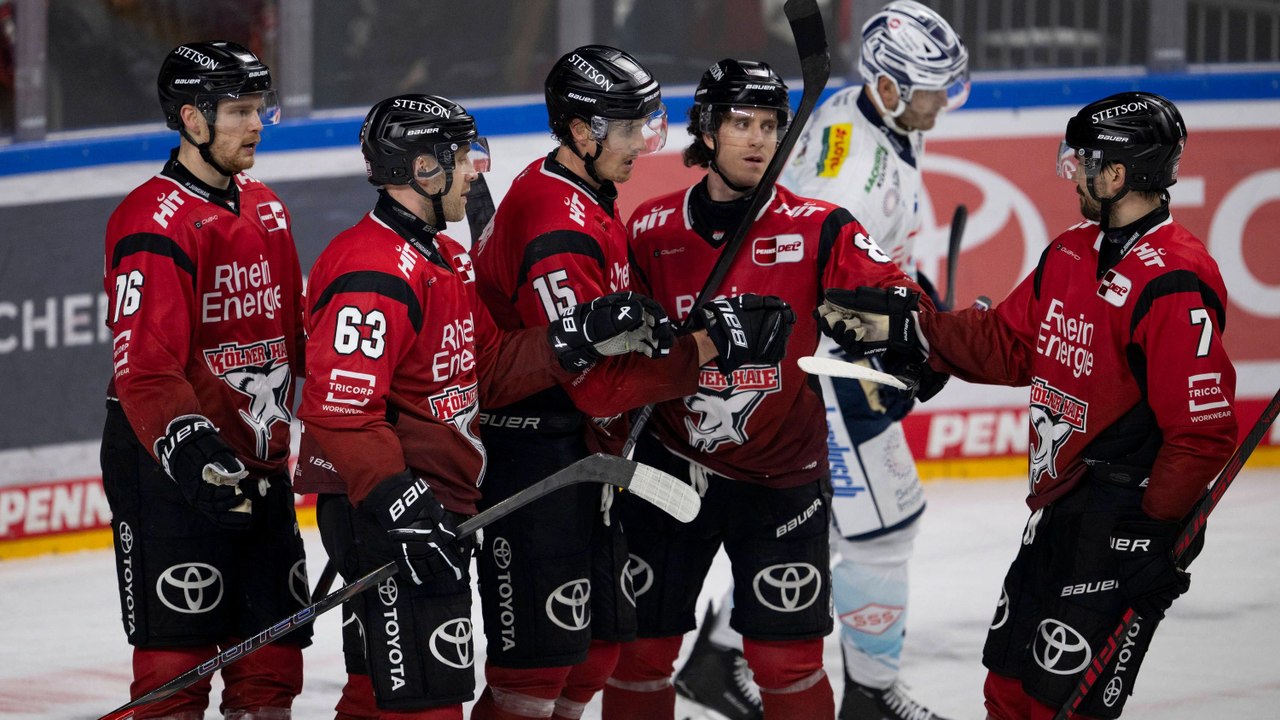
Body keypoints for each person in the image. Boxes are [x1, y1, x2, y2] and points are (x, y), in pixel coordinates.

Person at [820, 91, 1237, 719]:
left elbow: (1201, 431)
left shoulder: (1175, 278)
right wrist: (916, 331)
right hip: (1058, 508)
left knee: (1058, 705)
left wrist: (1154, 535)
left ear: (1117, 173)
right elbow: (1008, 345)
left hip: (1121, 519)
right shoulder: (1072, 250)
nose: (1074, 173)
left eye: (1085, 162)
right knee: (1007, 686)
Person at [294, 93, 678, 720]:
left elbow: (492, 369)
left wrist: (578, 333)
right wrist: (398, 498)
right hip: (388, 509)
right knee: (426, 707)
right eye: (464, 157)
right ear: (423, 169)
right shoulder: (371, 269)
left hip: (435, 503)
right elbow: (339, 410)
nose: (477, 170)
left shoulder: (446, 258)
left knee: (383, 698)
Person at [600, 58, 934, 720]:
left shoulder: (822, 226)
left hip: (783, 477)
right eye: (740, 123)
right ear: (707, 130)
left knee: (786, 662)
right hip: (672, 472)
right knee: (641, 655)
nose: (757, 139)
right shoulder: (650, 230)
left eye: (770, 125)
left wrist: (903, 335)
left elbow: (896, 300)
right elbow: (616, 353)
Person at [470, 45, 794, 720]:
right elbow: (597, 385)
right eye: (629, 128)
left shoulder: (580, 194)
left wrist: (661, 334)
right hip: (537, 462)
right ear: (585, 131)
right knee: (531, 680)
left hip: (582, 458)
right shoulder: (557, 221)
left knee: (594, 656)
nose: (644, 144)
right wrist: (707, 345)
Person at [673, 5, 968, 718]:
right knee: (882, 526)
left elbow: (863, 259)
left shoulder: (867, 116)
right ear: (891, 87)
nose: (943, 101)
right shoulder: (858, 175)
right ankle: (868, 696)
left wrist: (912, 301)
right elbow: (817, 289)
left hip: (830, 360)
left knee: (827, 525)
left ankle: (716, 659)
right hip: (830, 370)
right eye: (931, 87)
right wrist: (907, 347)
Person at [101, 41, 310, 719]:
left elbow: (295, 333)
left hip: (257, 455)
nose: (257, 124)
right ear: (192, 120)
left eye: (260, 109)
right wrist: (194, 454)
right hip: (169, 464)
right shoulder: (152, 223)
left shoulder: (268, 209)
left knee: (272, 667)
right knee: (176, 672)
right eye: (240, 111)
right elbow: (146, 366)